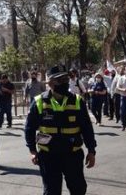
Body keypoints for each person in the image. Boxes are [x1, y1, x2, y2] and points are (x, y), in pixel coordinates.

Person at [25, 65, 97, 194]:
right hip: (48, 156)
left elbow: (87, 128)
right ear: (51, 83)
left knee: (78, 189)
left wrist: (91, 151)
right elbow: (29, 128)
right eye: (60, 80)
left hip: (72, 155)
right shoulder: (39, 102)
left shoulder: (77, 101)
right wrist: (32, 150)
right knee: (51, 191)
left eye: (66, 79)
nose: (65, 82)